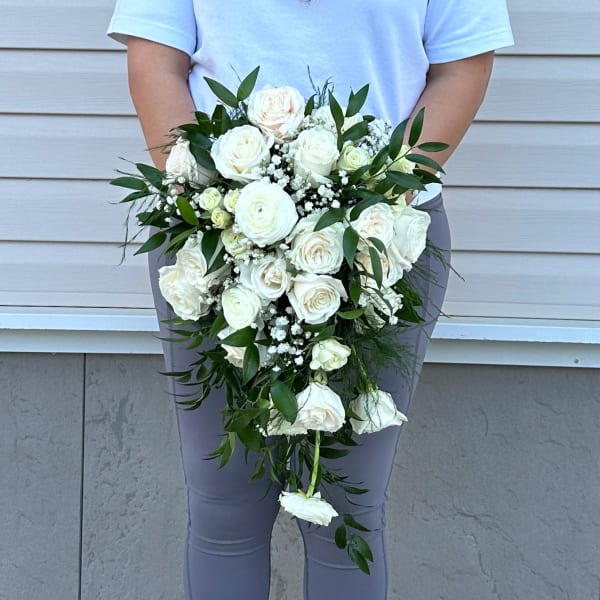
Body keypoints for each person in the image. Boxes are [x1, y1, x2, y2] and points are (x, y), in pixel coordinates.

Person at [107, 2, 513, 599]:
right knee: (224, 502)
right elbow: (156, 56)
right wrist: (214, 204)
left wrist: (371, 198)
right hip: (216, 237)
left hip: (381, 236)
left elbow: (462, 62)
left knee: (346, 506)